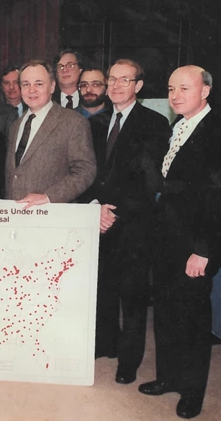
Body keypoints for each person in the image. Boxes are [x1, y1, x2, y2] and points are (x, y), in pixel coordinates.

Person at [138, 66, 221, 419]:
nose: (175, 95)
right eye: (171, 88)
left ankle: (192, 392)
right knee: (168, 314)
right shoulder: (178, 126)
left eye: (184, 88)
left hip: (195, 245)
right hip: (167, 241)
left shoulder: (215, 131)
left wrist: (204, 249)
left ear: (205, 91)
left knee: (193, 321)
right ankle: (168, 378)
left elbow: (217, 197)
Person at [83, 59, 171, 385]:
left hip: (134, 225)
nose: (117, 85)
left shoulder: (155, 123)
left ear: (138, 86)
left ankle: (129, 363)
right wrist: (96, 206)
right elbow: (88, 171)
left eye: (125, 80)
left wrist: (114, 211)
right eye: (112, 79)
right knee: (102, 288)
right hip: (98, 218)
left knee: (132, 297)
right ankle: (107, 344)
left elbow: (150, 182)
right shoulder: (96, 122)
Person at [5, 60, 96, 207]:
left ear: (52, 86)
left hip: (51, 216)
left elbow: (85, 171)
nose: (32, 90)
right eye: (26, 84)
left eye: (39, 84)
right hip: (15, 216)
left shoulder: (73, 122)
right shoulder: (15, 125)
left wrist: (48, 197)